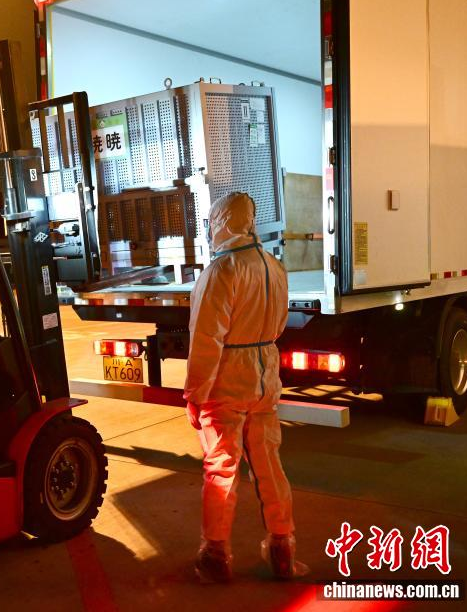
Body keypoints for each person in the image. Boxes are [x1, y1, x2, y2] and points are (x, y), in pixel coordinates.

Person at [184, 192, 306, 582]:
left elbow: (207, 339)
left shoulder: (222, 270)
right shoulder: (274, 267)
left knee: (221, 467)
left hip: (228, 378)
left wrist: (194, 394)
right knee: (269, 464)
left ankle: (215, 554)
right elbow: (280, 322)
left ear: (221, 222)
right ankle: (282, 547)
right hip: (265, 373)